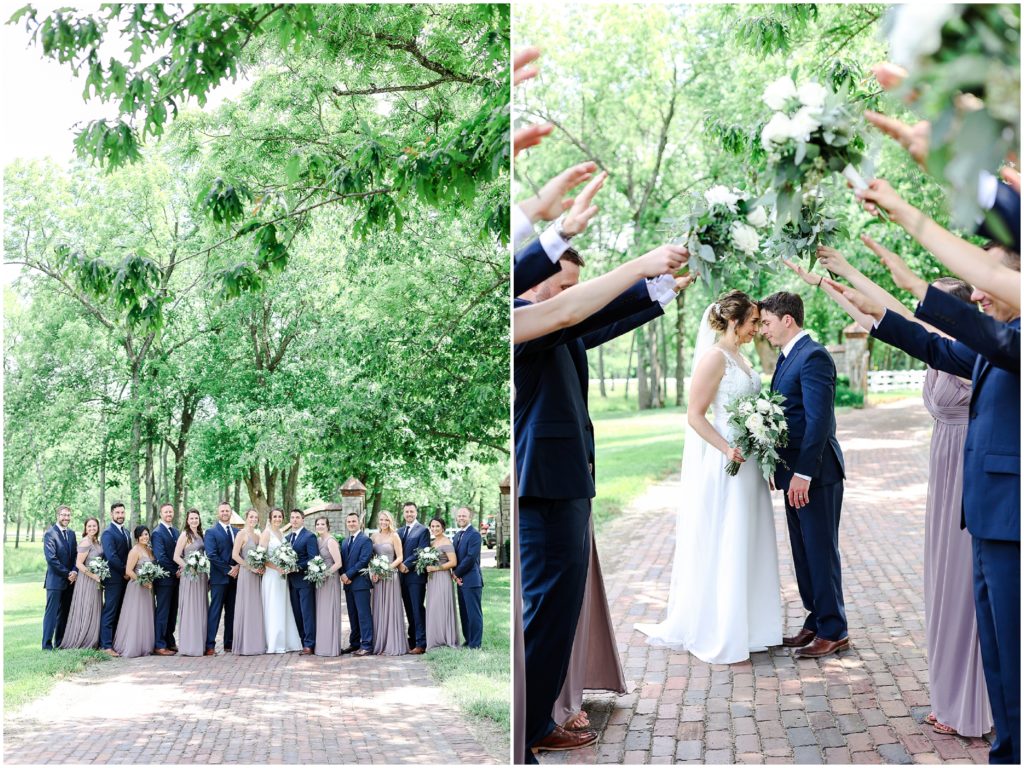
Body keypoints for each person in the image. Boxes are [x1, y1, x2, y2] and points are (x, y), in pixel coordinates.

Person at [787, 256, 992, 737]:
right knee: (944, 579)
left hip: (966, 465)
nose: (922, 315)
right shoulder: (944, 346)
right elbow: (877, 317)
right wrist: (825, 282)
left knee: (963, 585)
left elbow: (895, 316)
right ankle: (953, 694)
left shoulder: (969, 353)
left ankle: (973, 703)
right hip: (944, 466)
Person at [833, 253, 1020, 764]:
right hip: (977, 507)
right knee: (998, 647)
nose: (981, 295)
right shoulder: (986, 345)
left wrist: (905, 252)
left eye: (988, 283)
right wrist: (858, 289)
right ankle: (1003, 742)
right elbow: (925, 340)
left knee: (1007, 641)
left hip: (1007, 511)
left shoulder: (1013, 341)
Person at [515, 245, 691, 754]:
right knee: (545, 613)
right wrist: (642, 272)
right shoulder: (523, 320)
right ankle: (527, 730)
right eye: (565, 286)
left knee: (559, 611)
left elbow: (595, 325)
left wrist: (657, 293)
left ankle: (540, 718)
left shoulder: (554, 325)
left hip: (566, 481)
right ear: (534, 283)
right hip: (544, 485)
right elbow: (574, 315)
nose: (573, 297)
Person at [636, 291, 783, 661]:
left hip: (750, 462)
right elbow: (695, 415)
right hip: (727, 463)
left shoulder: (742, 357)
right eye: (753, 323)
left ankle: (751, 624)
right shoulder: (714, 359)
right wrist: (725, 448)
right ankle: (721, 627)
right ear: (734, 322)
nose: (757, 330)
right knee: (728, 538)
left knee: (749, 538)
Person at [759, 291, 848, 659]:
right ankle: (815, 620)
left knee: (820, 551)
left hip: (816, 475)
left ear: (787, 320)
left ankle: (834, 629)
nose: (763, 329)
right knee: (803, 552)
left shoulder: (813, 356)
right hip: (792, 474)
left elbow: (818, 422)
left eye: (766, 322)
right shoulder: (786, 357)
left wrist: (803, 475)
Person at [260, 507, 302, 653]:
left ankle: (284, 640)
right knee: (273, 606)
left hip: (283, 577)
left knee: (283, 606)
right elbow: (261, 558)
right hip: (271, 576)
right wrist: (277, 568)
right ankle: (273, 643)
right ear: (270, 518)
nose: (277, 519)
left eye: (279, 516)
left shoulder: (282, 533)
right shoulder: (266, 533)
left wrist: (287, 565)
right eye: (275, 516)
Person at [112, 525, 156, 658]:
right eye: (142, 535)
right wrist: (143, 581)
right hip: (137, 587)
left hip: (148, 588)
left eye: (146, 534)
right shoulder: (135, 551)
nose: (145, 537)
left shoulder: (149, 550)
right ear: (137, 537)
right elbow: (128, 571)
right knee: (135, 615)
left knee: (145, 616)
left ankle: (144, 645)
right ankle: (131, 646)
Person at [59, 516, 103, 649]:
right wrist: (94, 576)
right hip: (87, 579)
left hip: (96, 579)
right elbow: (78, 563)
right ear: (85, 528)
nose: (92, 528)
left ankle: (93, 637)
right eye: (89, 526)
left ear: (98, 527)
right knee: (87, 607)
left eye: (94, 526)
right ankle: (83, 638)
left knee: (94, 607)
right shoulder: (85, 542)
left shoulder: (96, 541)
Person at [204, 501, 239, 655]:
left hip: (235, 578)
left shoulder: (237, 532)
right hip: (219, 579)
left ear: (231, 513)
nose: (225, 513)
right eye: (222, 511)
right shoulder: (211, 532)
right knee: (215, 612)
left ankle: (229, 644)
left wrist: (237, 567)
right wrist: (228, 570)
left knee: (232, 612)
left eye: (227, 510)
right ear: (218, 513)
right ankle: (210, 645)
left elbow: (241, 553)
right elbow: (211, 554)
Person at [371, 510, 407, 656]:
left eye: (386, 520)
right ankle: (380, 642)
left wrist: (386, 569)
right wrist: (374, 572)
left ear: (390, 521)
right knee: (379, 607)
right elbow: (371, 557)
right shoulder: (373, 536)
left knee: (390, 608)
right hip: (377, 577)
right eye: (381, 520)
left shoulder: (395, 536)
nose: (383, 522)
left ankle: (391, 643)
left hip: (390, 576)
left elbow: (400, 558)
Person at [173, 509, 208, 657]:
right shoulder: (184, 535)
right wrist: (188, 567)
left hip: (201, 574)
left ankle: (200, 644)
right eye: (191, 518)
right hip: (189, 575)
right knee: (190, 607)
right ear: (187, 520)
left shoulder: (201, 535)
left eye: (196, 518)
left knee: (200, 607)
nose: (194, 520)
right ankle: (189, 646)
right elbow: (176, 556)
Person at [230, 508, 266, 656]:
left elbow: (261, 554)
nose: (253, 519)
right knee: (246, 605)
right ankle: (245, 644)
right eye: (251, 517)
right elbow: (235, 555)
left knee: (256, 606)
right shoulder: (241, 534)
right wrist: (250, 567)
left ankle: (256, 642)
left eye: (256, 517)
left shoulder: (258, 536)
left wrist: (261, 566)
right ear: (246, 518)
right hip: (246, 573)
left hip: (257, 575)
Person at [42, 504, 78, 650]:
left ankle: (61, 643)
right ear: (58, 516)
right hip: (55, 581)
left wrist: (75, 571)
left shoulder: (71, 534)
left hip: (70, 582)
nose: (66, 518)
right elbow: (52, 559)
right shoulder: (50, 534)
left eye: (68, 515)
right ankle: (46, 645)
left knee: (64, 614)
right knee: (51, 614)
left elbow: (76, 555)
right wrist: (67, 573)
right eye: (63, 515)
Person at [340, 511, 374, 656]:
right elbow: (342, 561)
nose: (351, 524)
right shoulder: (344, 541)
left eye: (354, 521)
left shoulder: (365, 540)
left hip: (361, 583)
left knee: (363, 615)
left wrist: (349, 574)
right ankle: (354, 644)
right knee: (352, 615)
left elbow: (364, 560)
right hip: (348, 584)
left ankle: (367, 645)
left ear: (359, 523)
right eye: (349, 522)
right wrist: (343, 574)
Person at [99, 501, 130, 656]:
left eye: (122, 512)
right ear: (112, 514)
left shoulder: (126, 532)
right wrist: (125, 570)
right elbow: (111, 557)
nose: (120, 515)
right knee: (110, 610)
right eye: (117, 513)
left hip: (125, 579)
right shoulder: (107, 533)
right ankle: (106, 645)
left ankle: (115, 642)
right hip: (113, 578)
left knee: (120, 611)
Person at [397, 502, 429, 654]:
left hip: (415, 576)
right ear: (403, 513)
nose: (409, 514)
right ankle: (412, 640)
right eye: (406, 511)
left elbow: (421, 551)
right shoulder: (400, 531)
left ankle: (421, 643)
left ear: (416, 512)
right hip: (401, 578)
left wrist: (406, 564)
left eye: (412, 511)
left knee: (417, 609)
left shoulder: (423, 530)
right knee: (408, 609)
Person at [425, 517, 461, 650]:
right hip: (432, 579)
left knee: (441, 606)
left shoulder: (446, 542)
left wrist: (436, 568)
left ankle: (446, 638)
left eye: (437, 526)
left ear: (443, 528)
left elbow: (453, 562)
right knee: (434, 607)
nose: (434, 529)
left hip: (442, 577)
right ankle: (436, 638)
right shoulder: (433, 542)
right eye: (432, 526)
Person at [287, 508, 318, 654]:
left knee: (307, 613)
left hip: (304, 581)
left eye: (297, 517)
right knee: (296, 613)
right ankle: (301, 640)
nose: (294, 520)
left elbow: (313, 559)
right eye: (292, 517)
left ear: (302, 519)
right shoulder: (287, 538)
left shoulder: (309, 536)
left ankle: (309, 644)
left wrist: (296, 567)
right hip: (290, 582)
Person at [452, 507, 483, 649]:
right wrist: (455, 573)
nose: (461, 518)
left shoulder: (475, 535)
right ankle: (468, 639)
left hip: (471, 580)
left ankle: (475, 644)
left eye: (464, 516)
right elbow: (454, 557)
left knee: (473, 613)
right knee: (464, 612)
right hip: (460, 580)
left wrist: (456, 573)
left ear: (470, 517)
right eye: (459, 516)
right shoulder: (457, 535)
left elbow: (470, 558)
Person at [151, 503, 179, 656]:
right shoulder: (157, 533)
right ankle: (159, 644)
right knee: (163, 611)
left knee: (173, 611)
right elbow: (161, 557)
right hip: (164, 579)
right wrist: (176, 571)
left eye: (170, 511)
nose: (168, 514)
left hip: (176, 579)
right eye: (166, 512)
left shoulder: (175, 531)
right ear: (161, 514)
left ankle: (169, 640)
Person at [313, 516, 343, 657]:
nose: (320, 526)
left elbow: (338, 563)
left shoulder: (331, 541)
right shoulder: (318, 541)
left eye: (322, 524)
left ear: (327, 526)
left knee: (329, 610)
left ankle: (331, 647)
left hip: (330, 579)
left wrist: (325, 574)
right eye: (318, 524)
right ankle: (322, 646)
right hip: (319, 580)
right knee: (321, 612)